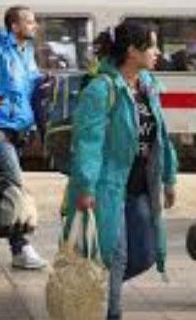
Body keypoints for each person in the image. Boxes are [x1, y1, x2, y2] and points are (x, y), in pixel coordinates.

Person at [69, 21, 177, 320]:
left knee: (145, 253)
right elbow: (88, 143)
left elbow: (160, 136)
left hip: (141, 186)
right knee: (116, 256)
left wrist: (169, 177)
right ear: (132, 51)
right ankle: (110, 312)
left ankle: (95, 289)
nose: (157, 52)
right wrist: (86, 187)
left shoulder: (147, 85)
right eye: (151, 45)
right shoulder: (101, 89)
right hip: (107, 187)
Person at [0, 5, 48, 270]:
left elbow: (29, 86)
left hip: (18, 132)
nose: (34, 26)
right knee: (14, 185)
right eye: (29, 22)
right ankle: (20, 248)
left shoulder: (26, 53)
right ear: (14, 26)